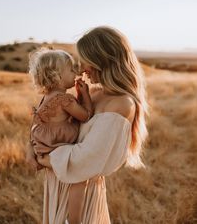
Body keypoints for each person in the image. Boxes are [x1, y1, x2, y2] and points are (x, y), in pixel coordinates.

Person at [33, 26, 148, 224]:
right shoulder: (94, 94)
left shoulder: (122, 104)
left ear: (102, 60)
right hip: (59, 183)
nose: (82, 68)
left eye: (85, 60)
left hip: (81, 192)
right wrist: (33, 148)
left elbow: (86, 158)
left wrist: (46, 159)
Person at [26, 48, 93, 224]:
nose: (76, 73)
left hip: (43, 145)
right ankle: (75, 220)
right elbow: (85, 116)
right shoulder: (65, 99)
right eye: (71, 70)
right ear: (57, 76)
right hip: (55, 146)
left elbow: (35, 125)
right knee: (79, 178)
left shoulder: (46, 97)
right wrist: (84, 95)